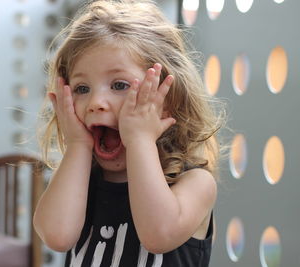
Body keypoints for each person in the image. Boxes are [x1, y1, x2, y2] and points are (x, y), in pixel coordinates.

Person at [33, 0, 225, 266]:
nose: (96, 102)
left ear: (167, 97)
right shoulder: (78, 181)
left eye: (119, 84)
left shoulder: (195, 183)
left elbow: (158, 236)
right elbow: (56, 236)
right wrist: (77, 144)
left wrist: (139, 140)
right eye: (81, 88)